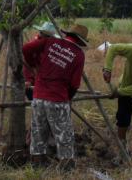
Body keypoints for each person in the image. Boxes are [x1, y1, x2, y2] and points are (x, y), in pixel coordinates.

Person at [22, 23, 88, 170]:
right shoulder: (78, 54)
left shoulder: (51, 42)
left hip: (38, 96)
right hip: (58, 98)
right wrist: (68, 98)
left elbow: (25, 48)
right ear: (80, 40)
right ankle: (66, 169)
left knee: (38, 133)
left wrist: (33, 67)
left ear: (68, 34)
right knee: (64, 136)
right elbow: (74, 84)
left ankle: (36, 167)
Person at [23, 22, 59, 100]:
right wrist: (28, 79)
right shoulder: (34, 45)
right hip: (35, 82)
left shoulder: (52, 47)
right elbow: (27, 64)